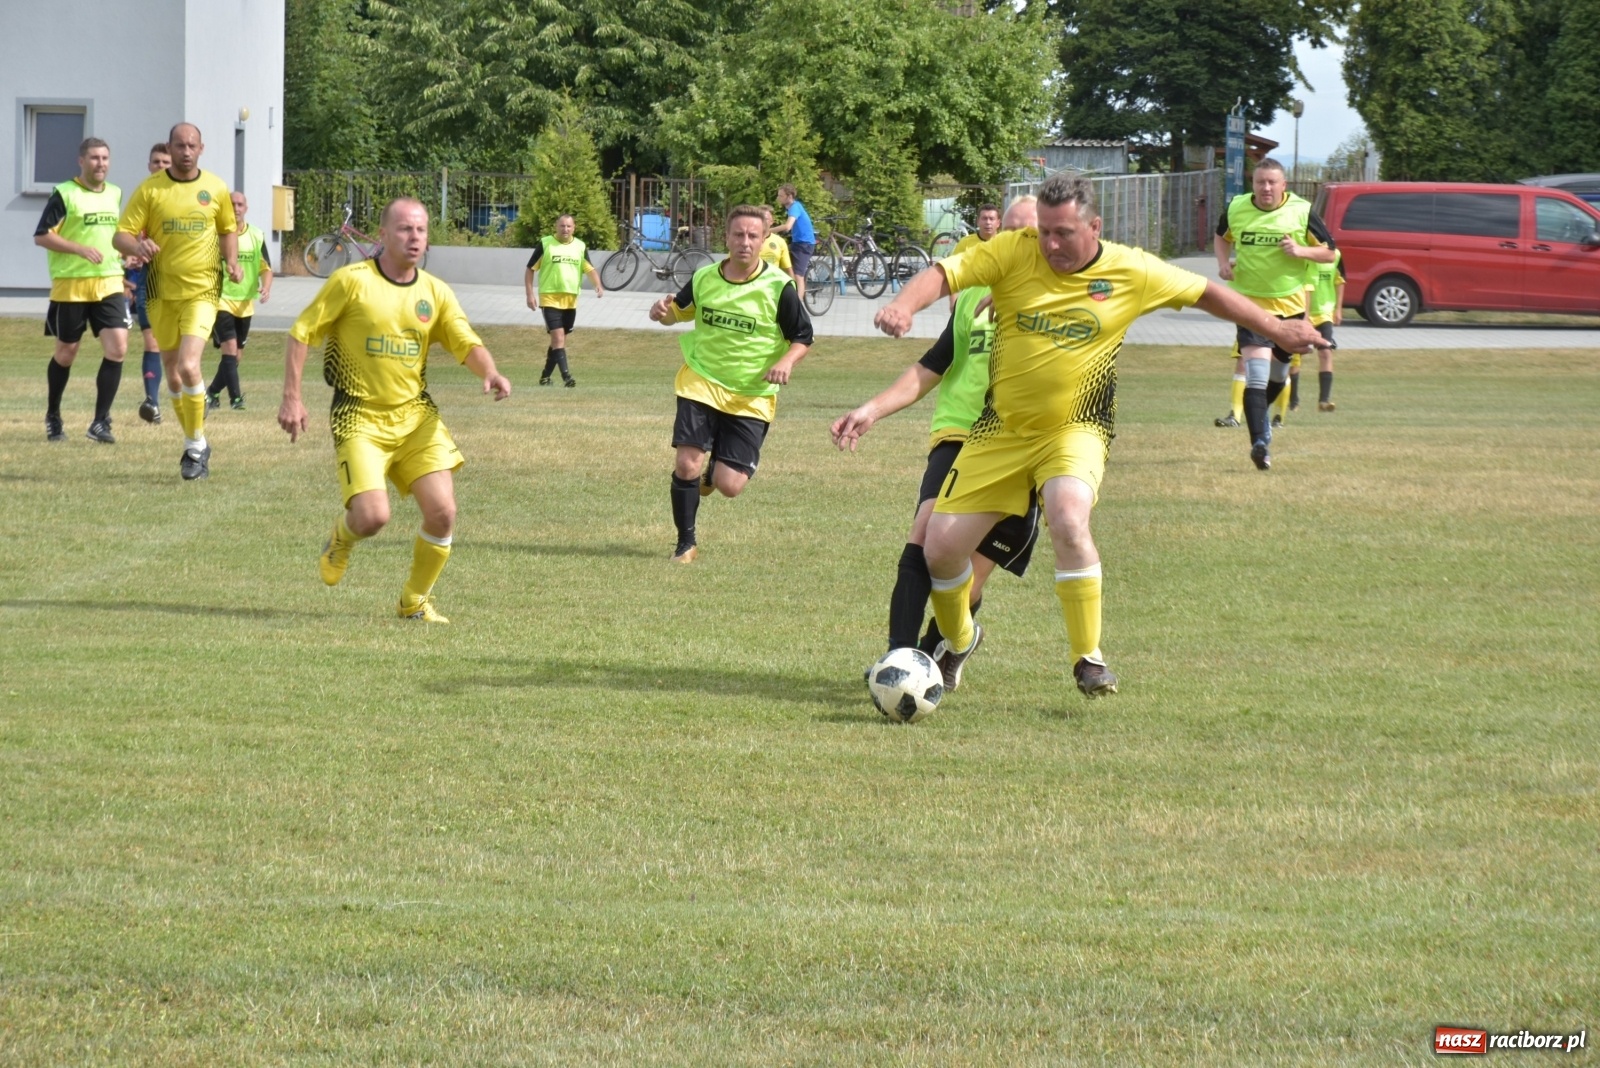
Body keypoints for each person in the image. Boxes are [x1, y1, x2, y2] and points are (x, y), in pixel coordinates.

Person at [872, 174, 1327, 699]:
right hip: (1001, 431)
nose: (1050, 244)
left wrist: (1277, 329)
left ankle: (1088, 658)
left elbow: (1209, 294)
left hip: (1077, 427)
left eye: (1063, 232)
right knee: (940, 550)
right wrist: (905, 306)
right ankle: (960, 638)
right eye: (1044, 232)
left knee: (1068, 515)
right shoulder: (1015, 251)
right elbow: (944, 273)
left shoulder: (1130, 269)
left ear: (1095, 226)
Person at [832, 198, 1042, 681]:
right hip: (960, 431)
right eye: (1005, 231)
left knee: (966, 578)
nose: (1012, 241)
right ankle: (899, 661)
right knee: (925, 537)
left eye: (1025, 232)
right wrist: (872, 410)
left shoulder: (1061, 299)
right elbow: (931, 366)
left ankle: (943, 648)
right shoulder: (972, 296)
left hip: (1023, 447)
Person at [277, 198, 512, 624]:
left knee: (444, 513)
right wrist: (292, 397)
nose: (414, 237)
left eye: (421, 230)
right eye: (404, 229)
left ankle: (414, 600)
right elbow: (301, 333)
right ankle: (342, 537)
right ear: (383, 234)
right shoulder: (351, 282)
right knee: (372, 517)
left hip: (415, 417)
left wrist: (490, 371)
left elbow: (464, 341)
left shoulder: (435, 292)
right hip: (359, 416)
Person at [648, 205, 814, 563]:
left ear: (765, 239)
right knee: (686, 464)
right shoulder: (705, 277)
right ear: (726, 238)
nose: (745, 242)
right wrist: (662, 313)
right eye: (738, 234)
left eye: (753, 236)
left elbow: (803, 336)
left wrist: (786, 361)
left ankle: (716, 466)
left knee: (729, 486)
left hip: (750, 395)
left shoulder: (778, 287)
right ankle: (685, 543)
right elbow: (678, 311)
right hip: (701, 381)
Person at [114, 123, 240, 480]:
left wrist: (231, 261)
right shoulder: (151, 190)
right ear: (170, 148)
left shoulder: (214, 188)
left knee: (188, 366)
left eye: (192, 145)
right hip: (158, 291)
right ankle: (195, 439)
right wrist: (137, 246)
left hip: (202, 290)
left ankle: (195, 446)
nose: (186, 151)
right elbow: (119, 236)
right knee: (172, 374)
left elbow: (227, 228)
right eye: (180, 145)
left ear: (201, 148)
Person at [1212, 158, 1336, 469]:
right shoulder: (1237, 208)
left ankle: (1261, 422)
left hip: (1291, 310)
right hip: (1251, 307)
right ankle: (1260, 444)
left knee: (1279, 376)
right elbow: (1221, 235)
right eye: (1260, 182)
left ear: (1284, 186)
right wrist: (1223, 263)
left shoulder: (1302, 211)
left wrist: (1301, 251)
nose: (1266, 188)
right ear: (1252, 184)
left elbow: (1329, 251)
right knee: (1255, 375)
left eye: (1272, 182)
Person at [33, 138, 129, 444]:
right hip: (71, 285)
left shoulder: (115, 193)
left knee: (118, 348)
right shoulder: (65, 193)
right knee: (66, 353)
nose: (100, 163)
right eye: (94, 158)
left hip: (110, 282)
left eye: (105, 158)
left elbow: (115, 234)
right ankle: (53, 416)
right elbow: (42, 236)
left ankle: (100, 422)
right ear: (81, 161)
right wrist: (79, 249)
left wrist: (129, 253)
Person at [206, 191, 272, 411]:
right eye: (232, 204)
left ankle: (212, 393)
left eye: (240, 204)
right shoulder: (218, 235)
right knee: (230, 349)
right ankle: (236, 399)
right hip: (222, 299)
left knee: (236, 357)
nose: (236, 207)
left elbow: (266, 269)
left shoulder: (257, 235)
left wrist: (266, 288)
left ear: (246, 207)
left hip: (246, 303)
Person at [122, 142, 172, 425]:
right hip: (149, 280)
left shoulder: (187, 195)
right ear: (149, 165)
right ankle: (152, 402)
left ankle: (190, 393)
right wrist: (133, 251)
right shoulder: (143, 196)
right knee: (151, 340)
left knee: (178, 345)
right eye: (157, 162)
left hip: (183, 281)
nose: (161, 167)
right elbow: (124, 235)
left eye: (166, 162)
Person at [524, 212, 602, 388]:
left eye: (569, 226)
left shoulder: (580, 246)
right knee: (558, 338)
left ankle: (545, 377)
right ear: (556, 227)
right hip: (550, 298)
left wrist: (597, 284)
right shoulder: (546, 244)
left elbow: (589, 268)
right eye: (562, 225)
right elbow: (530, 269)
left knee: (558, 341)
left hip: (571, 300)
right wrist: (530, 294)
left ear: (574, 228)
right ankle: (567, 377)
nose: (565, 229)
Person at [772, 184, 816, 303]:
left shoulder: (795, 207)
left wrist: (768, 231)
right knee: (783, 264)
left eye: (781, 196)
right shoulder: (791, 208)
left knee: (798, 274)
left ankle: (798, 305)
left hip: (805, 244)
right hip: (797, 243)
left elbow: (787, 226)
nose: (778, 198)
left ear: (789, 196)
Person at [758, 206, 793, 275]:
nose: (763, 221)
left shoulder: (780, 242)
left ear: (772, 222)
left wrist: (793, 285)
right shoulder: (746, 241)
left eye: (766, 219)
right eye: (760, 218)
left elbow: (787, 269)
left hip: (773, 283)